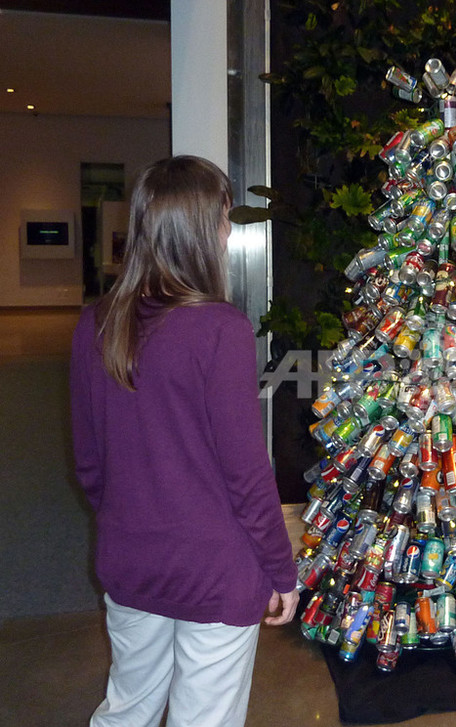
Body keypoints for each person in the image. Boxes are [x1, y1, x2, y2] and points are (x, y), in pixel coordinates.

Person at [70, 156, 299, 727]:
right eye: (224, 218)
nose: (227, 233)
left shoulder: (96, 322)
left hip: (131, 559)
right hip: (214, 571)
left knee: (127, 708)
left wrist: (132, 520)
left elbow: (90, 463)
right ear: (201, 228)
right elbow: (246, 473)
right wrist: (281, 571)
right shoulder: (219, 329)